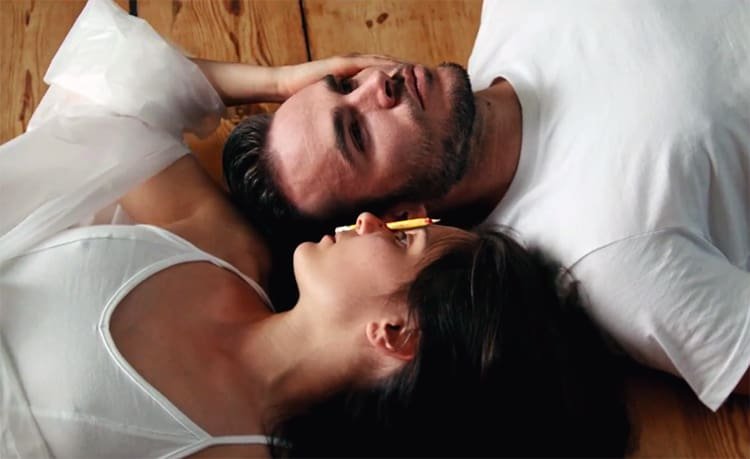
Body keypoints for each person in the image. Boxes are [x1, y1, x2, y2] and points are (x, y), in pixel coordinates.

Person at [0, 0, 630, 457]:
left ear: (396, 332)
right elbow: (116, 91)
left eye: (404, 237)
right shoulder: (223, 250)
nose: (369, 222)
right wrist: (277, 81)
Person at [222, 0, 750, 411]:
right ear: (395, 215)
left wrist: (275, 82)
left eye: (344, 83)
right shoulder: (612, 258)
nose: (376, 85)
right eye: (357, 133)